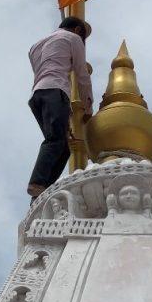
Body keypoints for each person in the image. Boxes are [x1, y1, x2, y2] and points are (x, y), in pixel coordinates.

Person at [26, 17, 93, 199]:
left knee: (63, 148)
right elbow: (81, 74)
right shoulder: (73, 39)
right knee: (55, 140)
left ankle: (42, 193)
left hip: (38, 95)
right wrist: (88, 106)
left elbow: (43, 70)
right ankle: (37, 182)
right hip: (56, 91)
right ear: (78, 30)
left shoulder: (35, 46)